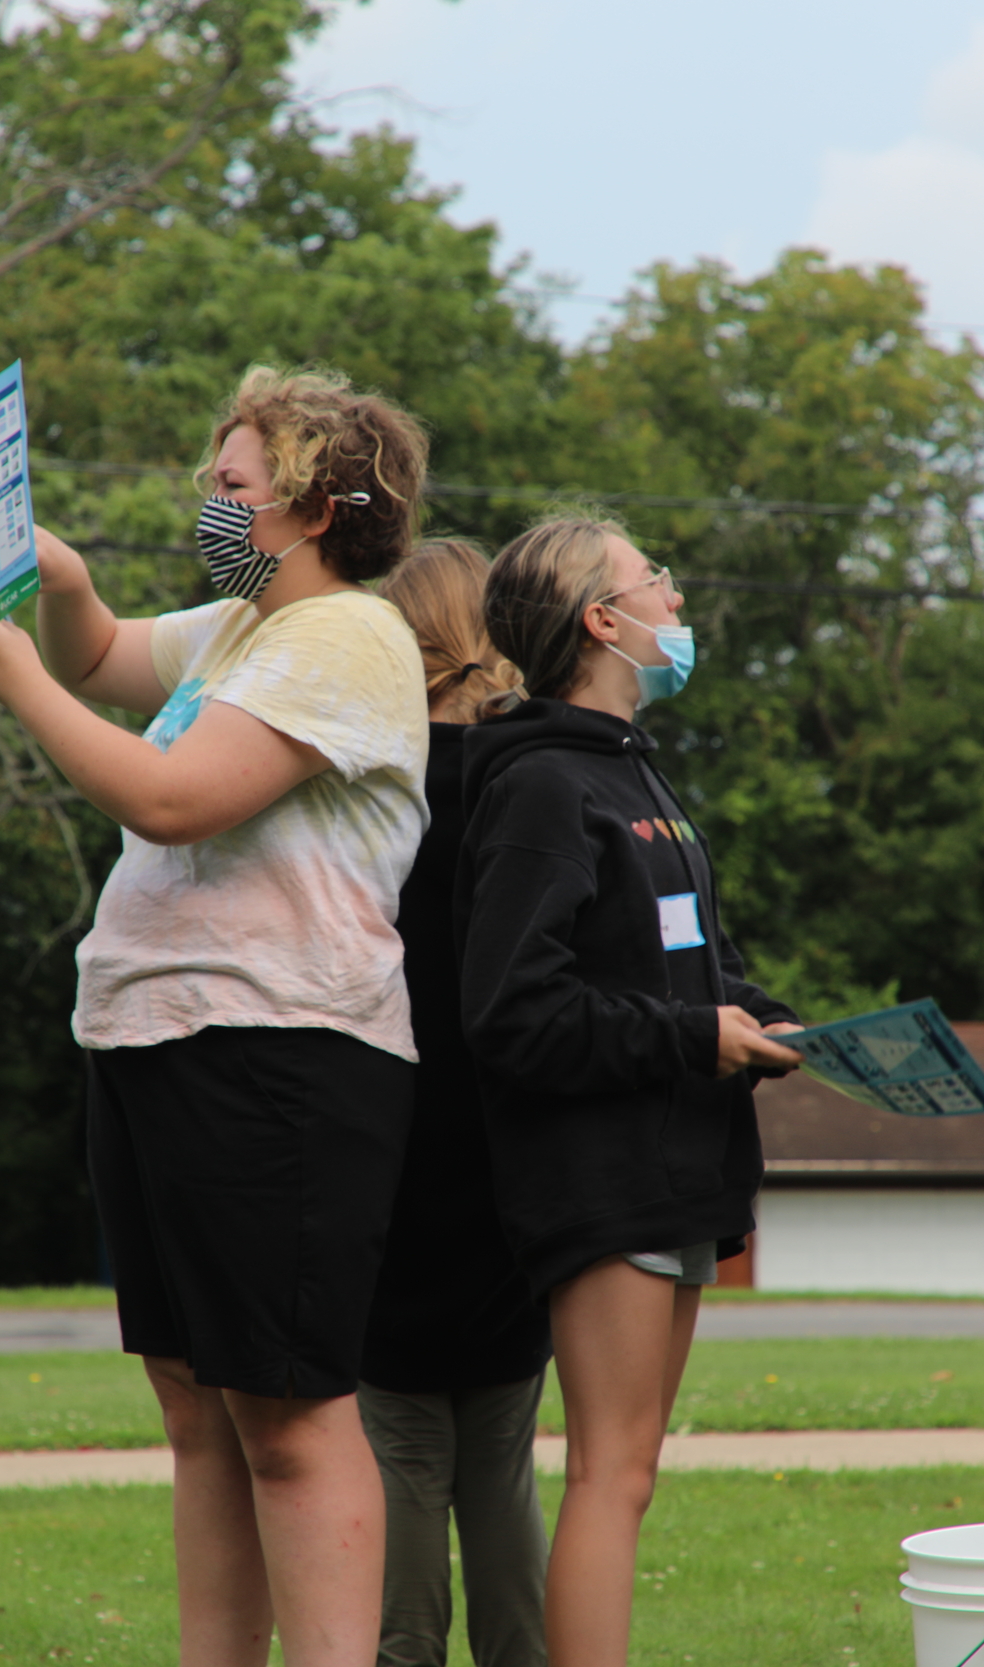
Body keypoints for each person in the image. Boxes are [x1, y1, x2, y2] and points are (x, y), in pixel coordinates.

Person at [0, 365, 434, 1667]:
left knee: (288, 1417)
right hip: (159, 1039)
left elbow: (172, 798)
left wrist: (19, 684)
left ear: (317, 507)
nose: (208, 504)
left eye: (232, 485)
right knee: (200, 1413)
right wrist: (56, 582)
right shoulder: (243, 631)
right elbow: (107, 653)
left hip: (281, 1052)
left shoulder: (343, 634)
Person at [454, 517, 802, 1667]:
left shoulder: (630, 773)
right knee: (610, 1470)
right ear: (602, 620)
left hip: (681, 1168)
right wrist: (695, 1036)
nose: (674, 590)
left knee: (633, 1468)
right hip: (600, 1177)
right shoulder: (541, 784)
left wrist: (765, 1018)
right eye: (653, 577)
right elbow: (512, 1011)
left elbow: (684, 965)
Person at [360, 539, 553, 1667]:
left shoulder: (368, 773)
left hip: (385, 1140)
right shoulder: (536, 776)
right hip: (510, 1156)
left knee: (395, 1451)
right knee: (502, 1460)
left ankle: (400, 1652)